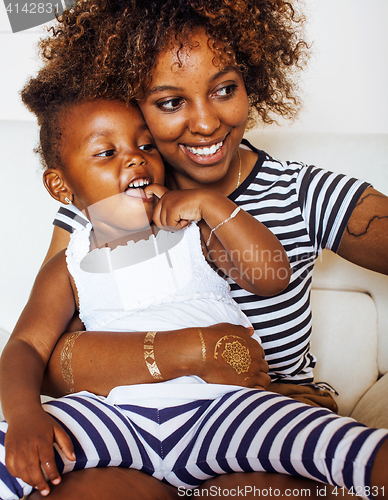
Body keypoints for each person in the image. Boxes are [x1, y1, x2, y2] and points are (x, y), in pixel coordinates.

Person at [13, 0, 388, 498]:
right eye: (170, 102)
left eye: (225, 89)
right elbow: (50, 357)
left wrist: (212, 207)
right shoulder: (98, 212)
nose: (207, 123)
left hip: (251, 414)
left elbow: (268, 272)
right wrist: (193, 350)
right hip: (126, 424)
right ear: (135, 102)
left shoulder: (289, 197)